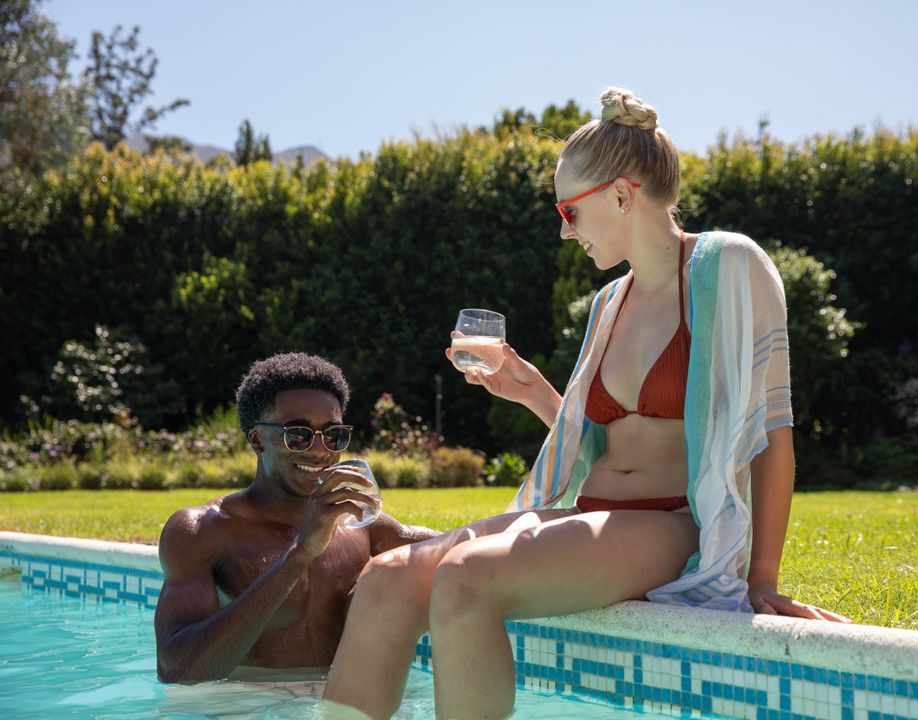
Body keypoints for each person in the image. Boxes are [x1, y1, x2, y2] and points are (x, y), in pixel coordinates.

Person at [323, 88, 849, 720]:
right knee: (384, 579)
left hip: (669, 522)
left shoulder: (728, 266)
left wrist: (761, 577)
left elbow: (773, 429)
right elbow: (594, 442)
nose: (564, 229)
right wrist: (531, 390)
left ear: (622, 195)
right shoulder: (609, 303)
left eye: (568, 211)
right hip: (592, 514)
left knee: (466, 580)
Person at [154, 352, 440, 684]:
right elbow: (176, 669)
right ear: (258, 440)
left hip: (344, 703)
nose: (320, 451)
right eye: (298, 435)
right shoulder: (204, 531)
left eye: (333, 435)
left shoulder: (358, 523)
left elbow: (456, 546)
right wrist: (300, 553)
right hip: (246, 707)